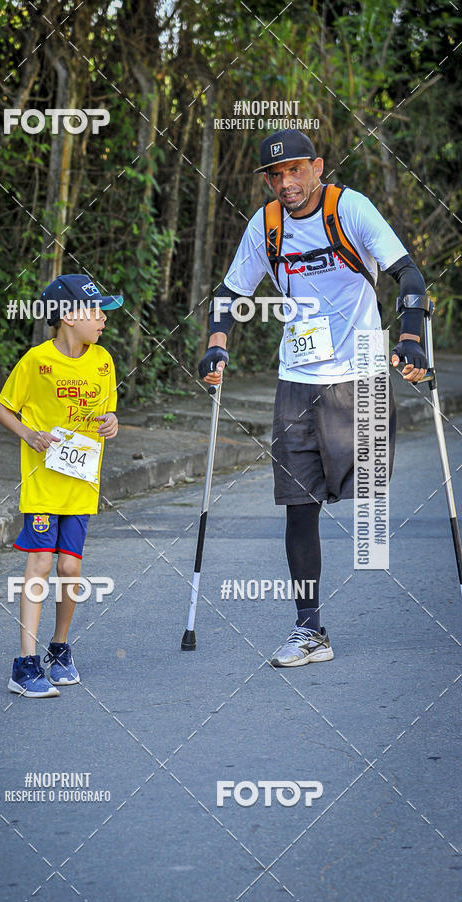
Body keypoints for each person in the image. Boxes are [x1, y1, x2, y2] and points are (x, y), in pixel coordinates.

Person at [198, 129, 429, 667]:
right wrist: (216, 348)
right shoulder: (266, 224)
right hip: (297, 376)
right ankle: (309, 630)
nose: (286, 182)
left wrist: (411, 336)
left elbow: (409, 275)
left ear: (317, 166)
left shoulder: (350, 209)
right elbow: (230, 294)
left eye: (295, 170)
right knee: (298, 508)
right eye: (275, 175)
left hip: (361, 374)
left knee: (367, 496)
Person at [0, 274, 122, 696]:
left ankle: (60, 649)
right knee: (41, 565)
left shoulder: (103, 361)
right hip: (43, 482)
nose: (102, 319)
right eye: (95, 311)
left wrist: (112, 422)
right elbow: (1, 408)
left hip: (81, 483)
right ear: (68, 316)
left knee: (70, 568)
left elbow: (107, 416)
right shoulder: (36, 361)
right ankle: (24, 665)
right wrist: (29, 435)